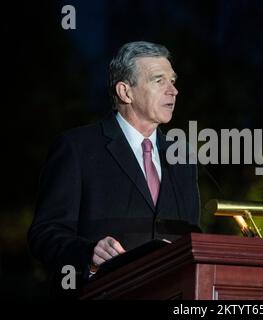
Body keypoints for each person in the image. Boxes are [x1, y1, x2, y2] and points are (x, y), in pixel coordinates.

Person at [28, 41, 201, 297]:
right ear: (125, 92)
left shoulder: (183, 157)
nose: (173, 90)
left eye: (173, 80)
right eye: (158, 80)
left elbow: (192, 237)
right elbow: (45, 234)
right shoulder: (77, 148)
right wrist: (89, 254)